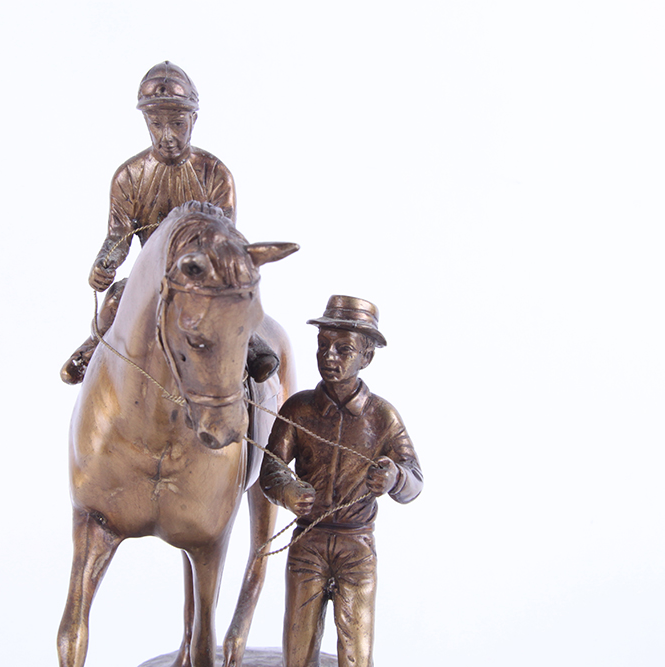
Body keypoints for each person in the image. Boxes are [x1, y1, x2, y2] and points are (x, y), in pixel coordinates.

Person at [60, 61, 277, 384]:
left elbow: (225, 238)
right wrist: (105, 262)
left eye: (177, 123)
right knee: (116, 301)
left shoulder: (214, 173)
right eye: (156, 124)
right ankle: (96, 346)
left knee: (228, 313)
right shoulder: (129, 176)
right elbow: (119, 234)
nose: (168, 136)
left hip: (203, 277)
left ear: (193, 119)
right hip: (150, 276)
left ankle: (249, 346)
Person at [259, 296, 423, 667]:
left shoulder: (382, 416)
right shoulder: (298, 409)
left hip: (356, 550)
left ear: (367, 358)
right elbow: (270, 468)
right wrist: (287, 491)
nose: (329, 356)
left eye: (343, 349)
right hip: (308, 545)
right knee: (296, 655)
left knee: (356, 656)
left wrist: (394, 477)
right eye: (323, 346)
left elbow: (415, 480)